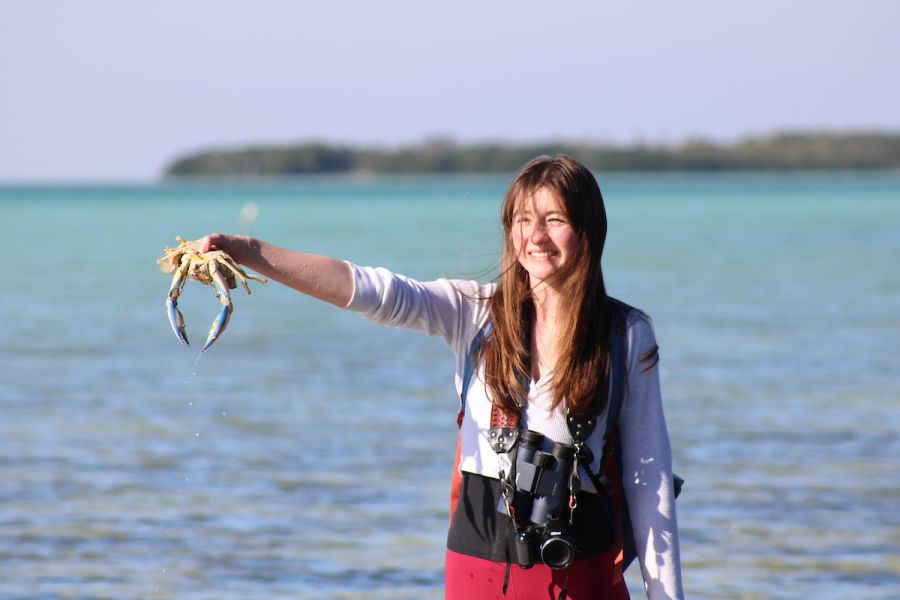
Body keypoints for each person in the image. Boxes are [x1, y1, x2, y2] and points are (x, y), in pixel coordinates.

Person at [197, 155, 684, 599]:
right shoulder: (472, 313)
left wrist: (666, 596)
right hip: (479, 566)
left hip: (584, 569)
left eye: (554, 220)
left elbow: (649, 479)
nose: (536, 237)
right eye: (523, 222)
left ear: (588, 230)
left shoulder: (625, 334)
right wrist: (248, 251)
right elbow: (369, 289)